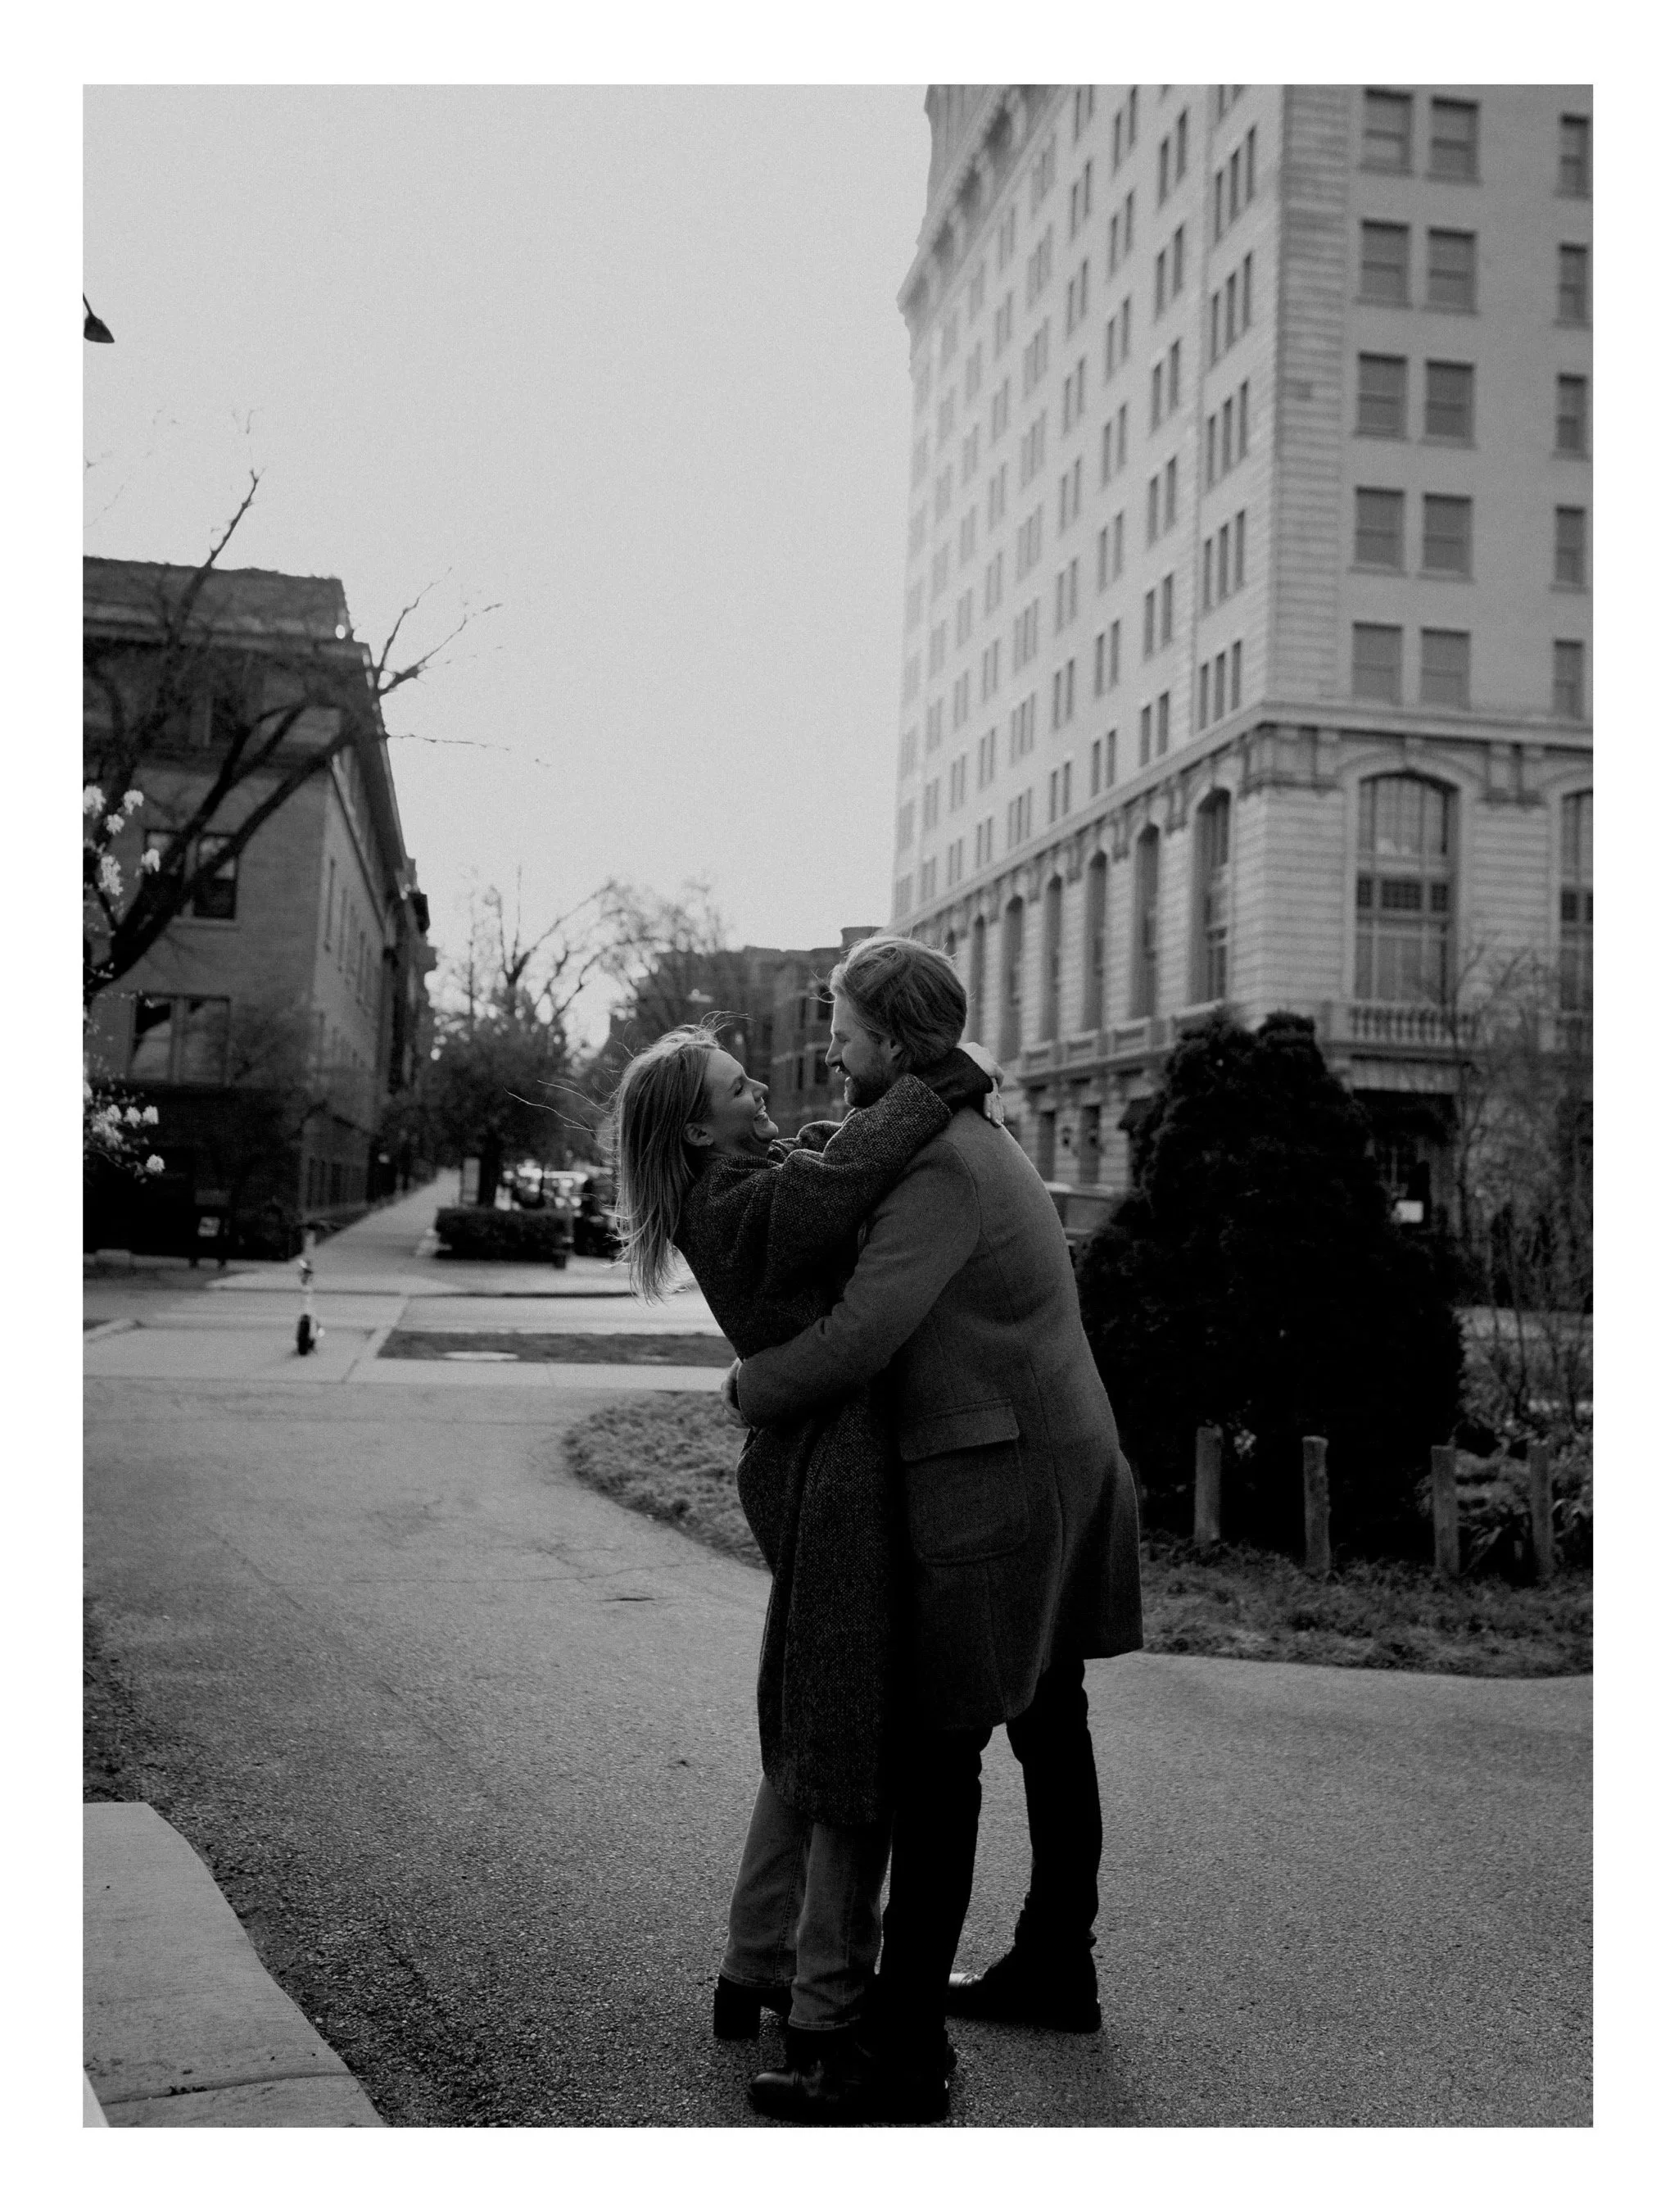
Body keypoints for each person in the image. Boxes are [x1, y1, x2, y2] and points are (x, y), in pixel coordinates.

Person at [722, 935, 1143, 2124]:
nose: (831, 1047)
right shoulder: (962, 1136)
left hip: (1004, 1484)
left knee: (936, 1752)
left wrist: (750, 1389)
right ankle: (1057, 1964)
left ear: (893, 1042)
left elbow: (862, 1332)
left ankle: (898, 2058)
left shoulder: (943, 1166)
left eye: (845, 1030)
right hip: (1052, 1453)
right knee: (1047, 1719)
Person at [606, 1018, 991, 2115]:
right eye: (738, 1087)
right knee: (849, 1747)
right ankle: (825, 2006)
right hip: (836, 1484)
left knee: (805, 1730)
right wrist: (933, 1088)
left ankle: (754, 1962)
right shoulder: (729, 1208)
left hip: (820, 1472)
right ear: (695, 1125)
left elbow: (820, 1162)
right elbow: (833, 1187)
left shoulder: (732, 1188)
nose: (761, 1088)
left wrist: (865, 1116)